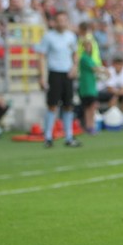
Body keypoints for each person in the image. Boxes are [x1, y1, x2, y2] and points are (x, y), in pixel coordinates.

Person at [35, 11, 82, 148]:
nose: (61, 23)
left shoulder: (71, 37)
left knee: (68, 105)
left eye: (64, 20)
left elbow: (75, 54)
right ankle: (48, 136)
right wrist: (41, 77)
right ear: (54, 22)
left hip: (67, 74)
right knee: (52, 105)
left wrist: (74, 67)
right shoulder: (49, 37)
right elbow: (41, 56)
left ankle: (69, 136)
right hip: (54, 73)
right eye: (59, 20)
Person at [77, 38, 104, 134]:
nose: (89, 48)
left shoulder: (89, 58)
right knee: (90, 107)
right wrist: (106, 71)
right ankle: (90, 126)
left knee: (90, 107)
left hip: (91, 86)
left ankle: (90, 126)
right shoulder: (84, 58)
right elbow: (95, 68)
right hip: (86, 87)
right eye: (87, 46)